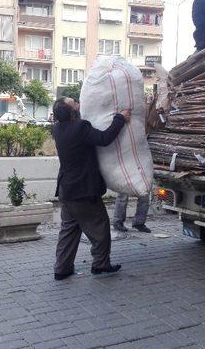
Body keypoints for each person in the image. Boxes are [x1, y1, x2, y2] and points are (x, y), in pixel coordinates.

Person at [52, 97, 131, 281]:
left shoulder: (57, 129)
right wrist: (119, 118)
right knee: (100, 227)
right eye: (75, 104)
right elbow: (104, 139)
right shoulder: (80, 127)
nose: (79, 105)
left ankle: (61, 268)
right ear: (72, 112)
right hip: (83, 190)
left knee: (69, 230)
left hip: (67, 189)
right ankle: (100, 265)